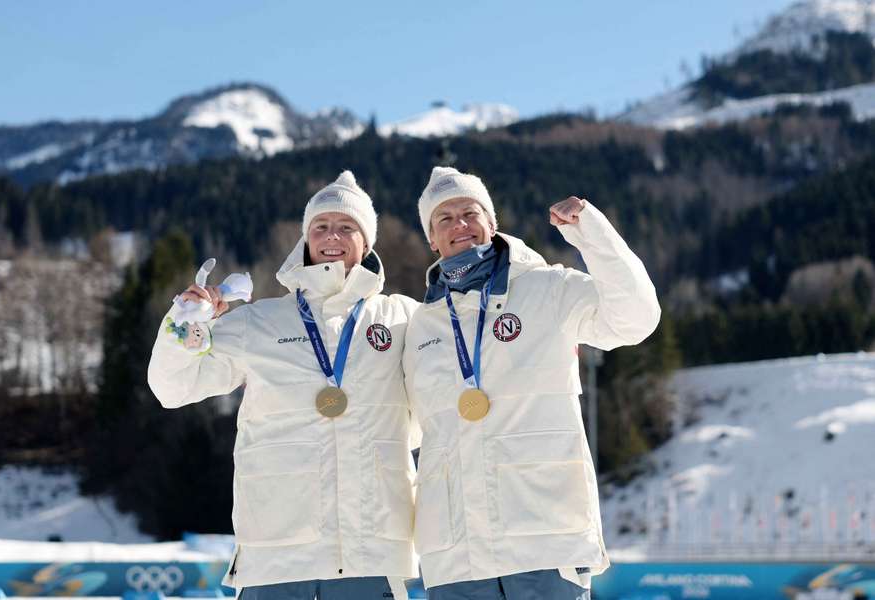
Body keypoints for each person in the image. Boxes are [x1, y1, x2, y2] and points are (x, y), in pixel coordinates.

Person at [148, 171, 419, 600]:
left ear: (367, 242)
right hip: (275, 553)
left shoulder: (402, 318)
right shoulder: (260, 322)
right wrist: (185, 324)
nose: (332, 236)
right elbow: (172, 388)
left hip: (372, 552)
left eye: (347, 226)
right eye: (321, 226)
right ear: (306, 240)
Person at [402, 167, 661, 599]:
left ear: (491, 223)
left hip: (544, 540)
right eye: (444, 218)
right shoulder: (420, 326)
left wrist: (592, 234)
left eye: (470, 213)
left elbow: (635, 319)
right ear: (432, 239)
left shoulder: (548, 289)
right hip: (455, 556)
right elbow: (402, 427)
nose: (459, 225)